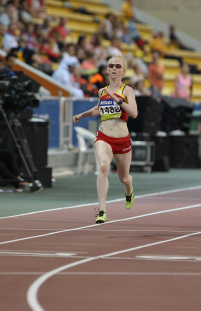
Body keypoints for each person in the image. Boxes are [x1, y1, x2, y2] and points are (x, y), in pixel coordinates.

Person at [73, 55, 138, 224]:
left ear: (123, 70)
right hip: (104, 136)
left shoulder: (127, 90)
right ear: (107, 69)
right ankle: (102, 211)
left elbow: (134, 113)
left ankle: (129, 190)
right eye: (111, 66)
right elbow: (98, 109)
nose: (114, 68)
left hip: (122, 140)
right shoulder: (102, 91)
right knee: (103, 167)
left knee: (124, 178)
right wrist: (83, 114)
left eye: (118, 66)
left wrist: (117, 99)